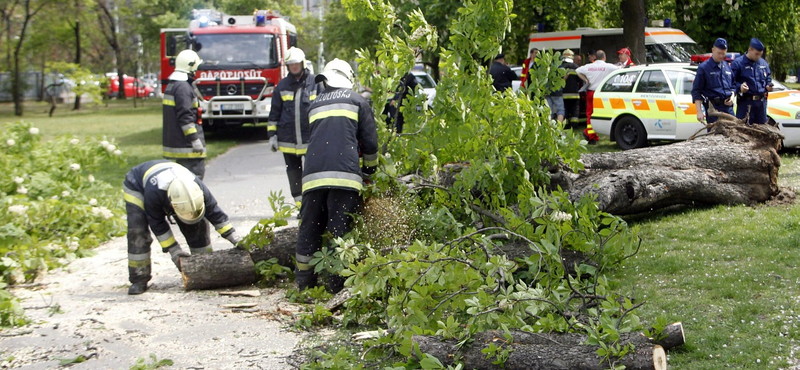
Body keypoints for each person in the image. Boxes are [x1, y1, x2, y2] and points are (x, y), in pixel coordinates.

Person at [295, 59, 379, 293]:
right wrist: (370, 172)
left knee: (309, 228)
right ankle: (336, 287)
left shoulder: (313, 105)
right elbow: (370, 144)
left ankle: (303, 285)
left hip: (312, 178)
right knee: (339, 230)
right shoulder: (358, 101)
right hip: (345, 178)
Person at [122, 160, 242, 295]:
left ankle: (203, 266)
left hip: (173, 183)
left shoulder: (198, 188)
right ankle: (139, 278)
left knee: (198, 226)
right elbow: (157, 224)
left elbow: (215, 213)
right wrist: (174, 251)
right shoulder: (153, 195)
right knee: (137, 231)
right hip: (137, 185)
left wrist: (235, 238)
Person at [267, 47, 322, 208]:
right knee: (293, 174)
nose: (294, 67)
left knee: (312, 173)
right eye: (291, 64)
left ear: (303, 63)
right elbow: (274, 113)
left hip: (311, 139)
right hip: (288, 141)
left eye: (297, 63)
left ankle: (313, 205)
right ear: (288, 66)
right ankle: (301, 207)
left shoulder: (315, 83)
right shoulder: (282, 86)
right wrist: (272, 136)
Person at [163, 50, 206, 179]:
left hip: (177, 143)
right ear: (191, 66)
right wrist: (194, 139)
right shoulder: (183, 88)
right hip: (187, 147)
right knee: (194, 181)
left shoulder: (173, 85)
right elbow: (185, 117)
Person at [576, 50, 619, 144]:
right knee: (602, 114)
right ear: (604, 57)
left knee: (590, 114)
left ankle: (591, 136)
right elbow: (620, 69)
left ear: (595, 57)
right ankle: (595, 134)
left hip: (591, 92)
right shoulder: (607, 66)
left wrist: (586, 80)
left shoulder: (589, 66)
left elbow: (577, 70)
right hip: (601, 94)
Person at [691, 38, 735, 126]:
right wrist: (699, 111)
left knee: (733, 134)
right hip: (714, 109)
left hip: (728, 108)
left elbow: (733, 85)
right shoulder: (704, 68)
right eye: (719, 53)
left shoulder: (727, 66)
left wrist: (733, 96)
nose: (721, 56)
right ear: (713, 50)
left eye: (723, 53)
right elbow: (696, 91)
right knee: (715, 135)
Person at [731, 38, 773, 125]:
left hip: (761, 104)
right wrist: (740, 87)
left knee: (761, 132)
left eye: (760, 54)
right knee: (744, 131)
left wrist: (768, 85)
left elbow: (768, 78)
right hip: (746, 103)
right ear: (750, 49)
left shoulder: (763, 63)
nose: (758, 56)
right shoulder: (738, 63)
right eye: (756, 54)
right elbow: (731, 83)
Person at [561, 49, 582, 127]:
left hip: (563, 93)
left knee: (565, 109)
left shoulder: (560, 67)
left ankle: (565, 124)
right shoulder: (576, 67)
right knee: (574, 109)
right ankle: (574, 124)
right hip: (574, 94)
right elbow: (580, 80)